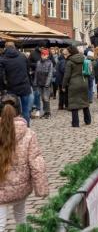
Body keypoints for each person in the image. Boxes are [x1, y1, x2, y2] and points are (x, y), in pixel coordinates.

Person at [0, 94, 49, 230]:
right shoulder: (28, 134)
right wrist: (42, 189)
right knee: (21, 218)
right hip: (20, 189)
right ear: (20, 110)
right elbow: (36, 163)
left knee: (0, 224)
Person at [0, 42, 33, 125]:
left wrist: (2, 88)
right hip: (24, 85)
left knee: (11, 109)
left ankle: (13, 127)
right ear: (14, 47)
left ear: (5, 48)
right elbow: (28, 69)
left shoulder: (2, 59)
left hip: (11, 87)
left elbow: (1, 75)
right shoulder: (23, 56)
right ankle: (26, 128)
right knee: (25, 109)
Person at [62, 46, 91, 127]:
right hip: (84, 82)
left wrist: (63, 86)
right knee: (84, 101)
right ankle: (88, 120)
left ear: (70, 53)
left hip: (74, 84)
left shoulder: (70, 62)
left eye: (66, 52)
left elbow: (66, 76)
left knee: (74, 103)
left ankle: (75, 123)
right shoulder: (84, 59)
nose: (65, 54)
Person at [33, 49, 53, 119]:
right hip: (39, 83)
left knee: (46, 98)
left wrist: (47, 83)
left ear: (47, 55)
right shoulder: (38, 62)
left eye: (44, 54)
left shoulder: (50, 63)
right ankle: (45, 112)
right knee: (42, 98)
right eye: (42, 54)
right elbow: (36, 73)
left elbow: (50, 74)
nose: (43, 56)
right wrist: (35, 82)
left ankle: (48, 112)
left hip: (45, 83)